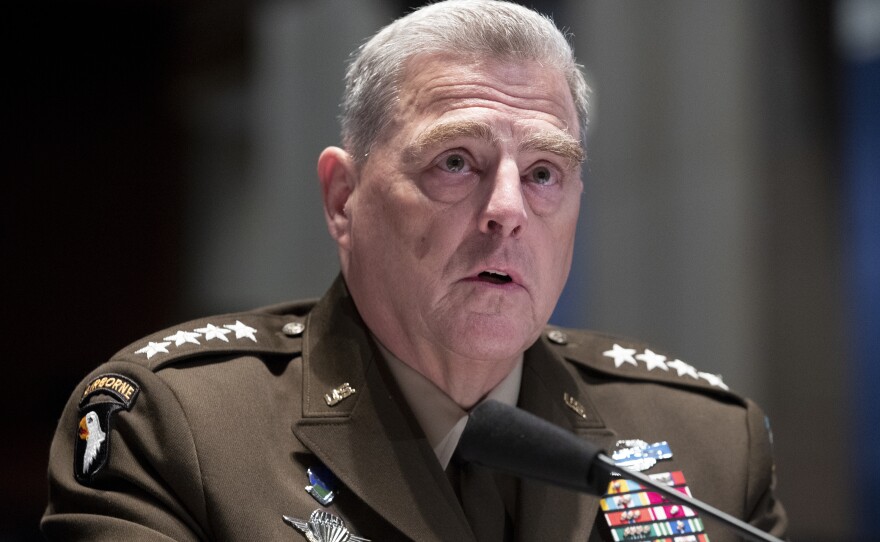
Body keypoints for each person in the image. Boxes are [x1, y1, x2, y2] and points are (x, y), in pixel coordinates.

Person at [41, 1, 788, 540]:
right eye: (456, 161)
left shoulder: (707, 444)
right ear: (344, 197)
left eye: (544, 172)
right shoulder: (176, 431)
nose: (507, 210)